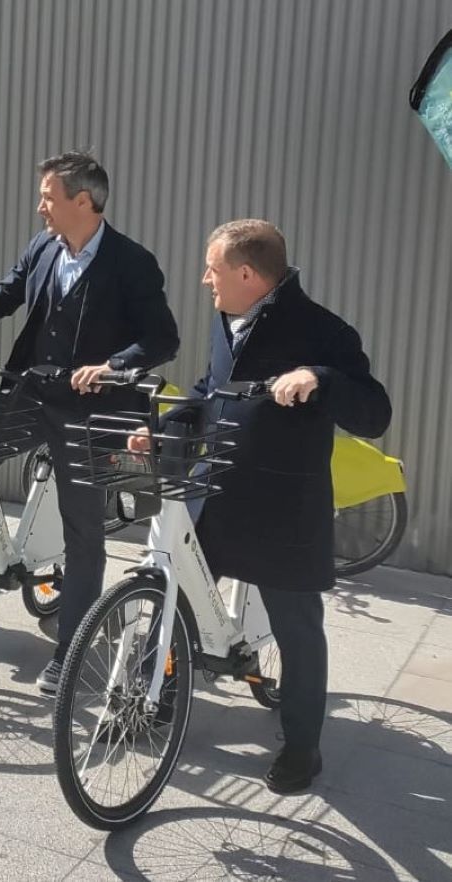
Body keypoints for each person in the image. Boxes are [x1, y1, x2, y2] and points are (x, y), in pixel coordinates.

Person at [134, 219, 391, 793]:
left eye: (213, 269)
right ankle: (160, 693)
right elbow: (210, 389)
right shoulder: (228, 317)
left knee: (298, 629)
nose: (205, 280)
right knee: (176, 594)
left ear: (248, 274)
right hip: (219, 490)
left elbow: (374, 412)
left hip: (284, 505)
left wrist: (317, 377)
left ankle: (302, 749)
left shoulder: (324, 330)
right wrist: (166, 428)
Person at [0, 151, 179, 695]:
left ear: (84, 202)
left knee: (83, 532)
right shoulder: (44, 245)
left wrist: (114, 366)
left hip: (91, 413)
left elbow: (162, 339)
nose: (40, 206)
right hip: (30, 389)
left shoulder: (131, 262)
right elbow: (11, 288)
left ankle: (69, 652)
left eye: (49, 196)